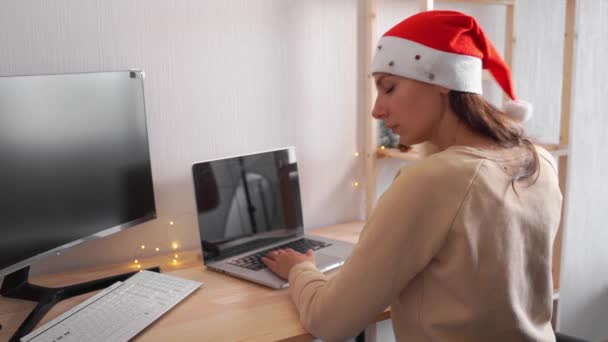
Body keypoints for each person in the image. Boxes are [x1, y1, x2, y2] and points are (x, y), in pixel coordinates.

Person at [262, 10, 562, 342]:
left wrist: (300, 269)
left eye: (388, 88)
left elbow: (328, 321)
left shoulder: (435, 181)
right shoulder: (539, 161)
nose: (377, 110)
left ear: (442, 84)